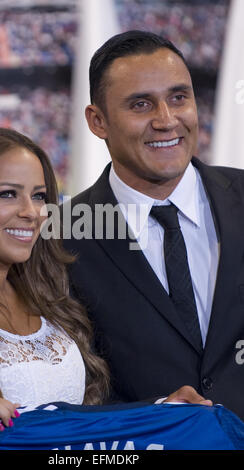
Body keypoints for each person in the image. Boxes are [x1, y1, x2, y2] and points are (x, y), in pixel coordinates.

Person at [62, 30, 244, 420]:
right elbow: (69, 391)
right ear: (98, 121)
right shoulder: (60, 238)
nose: (166, 120)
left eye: (179, 98)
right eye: (141, 104)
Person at [0, 125, 109, 436]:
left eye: (39, 196)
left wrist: (164, 409)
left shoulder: (51, 297)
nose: (31, 212)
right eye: (8, 194)